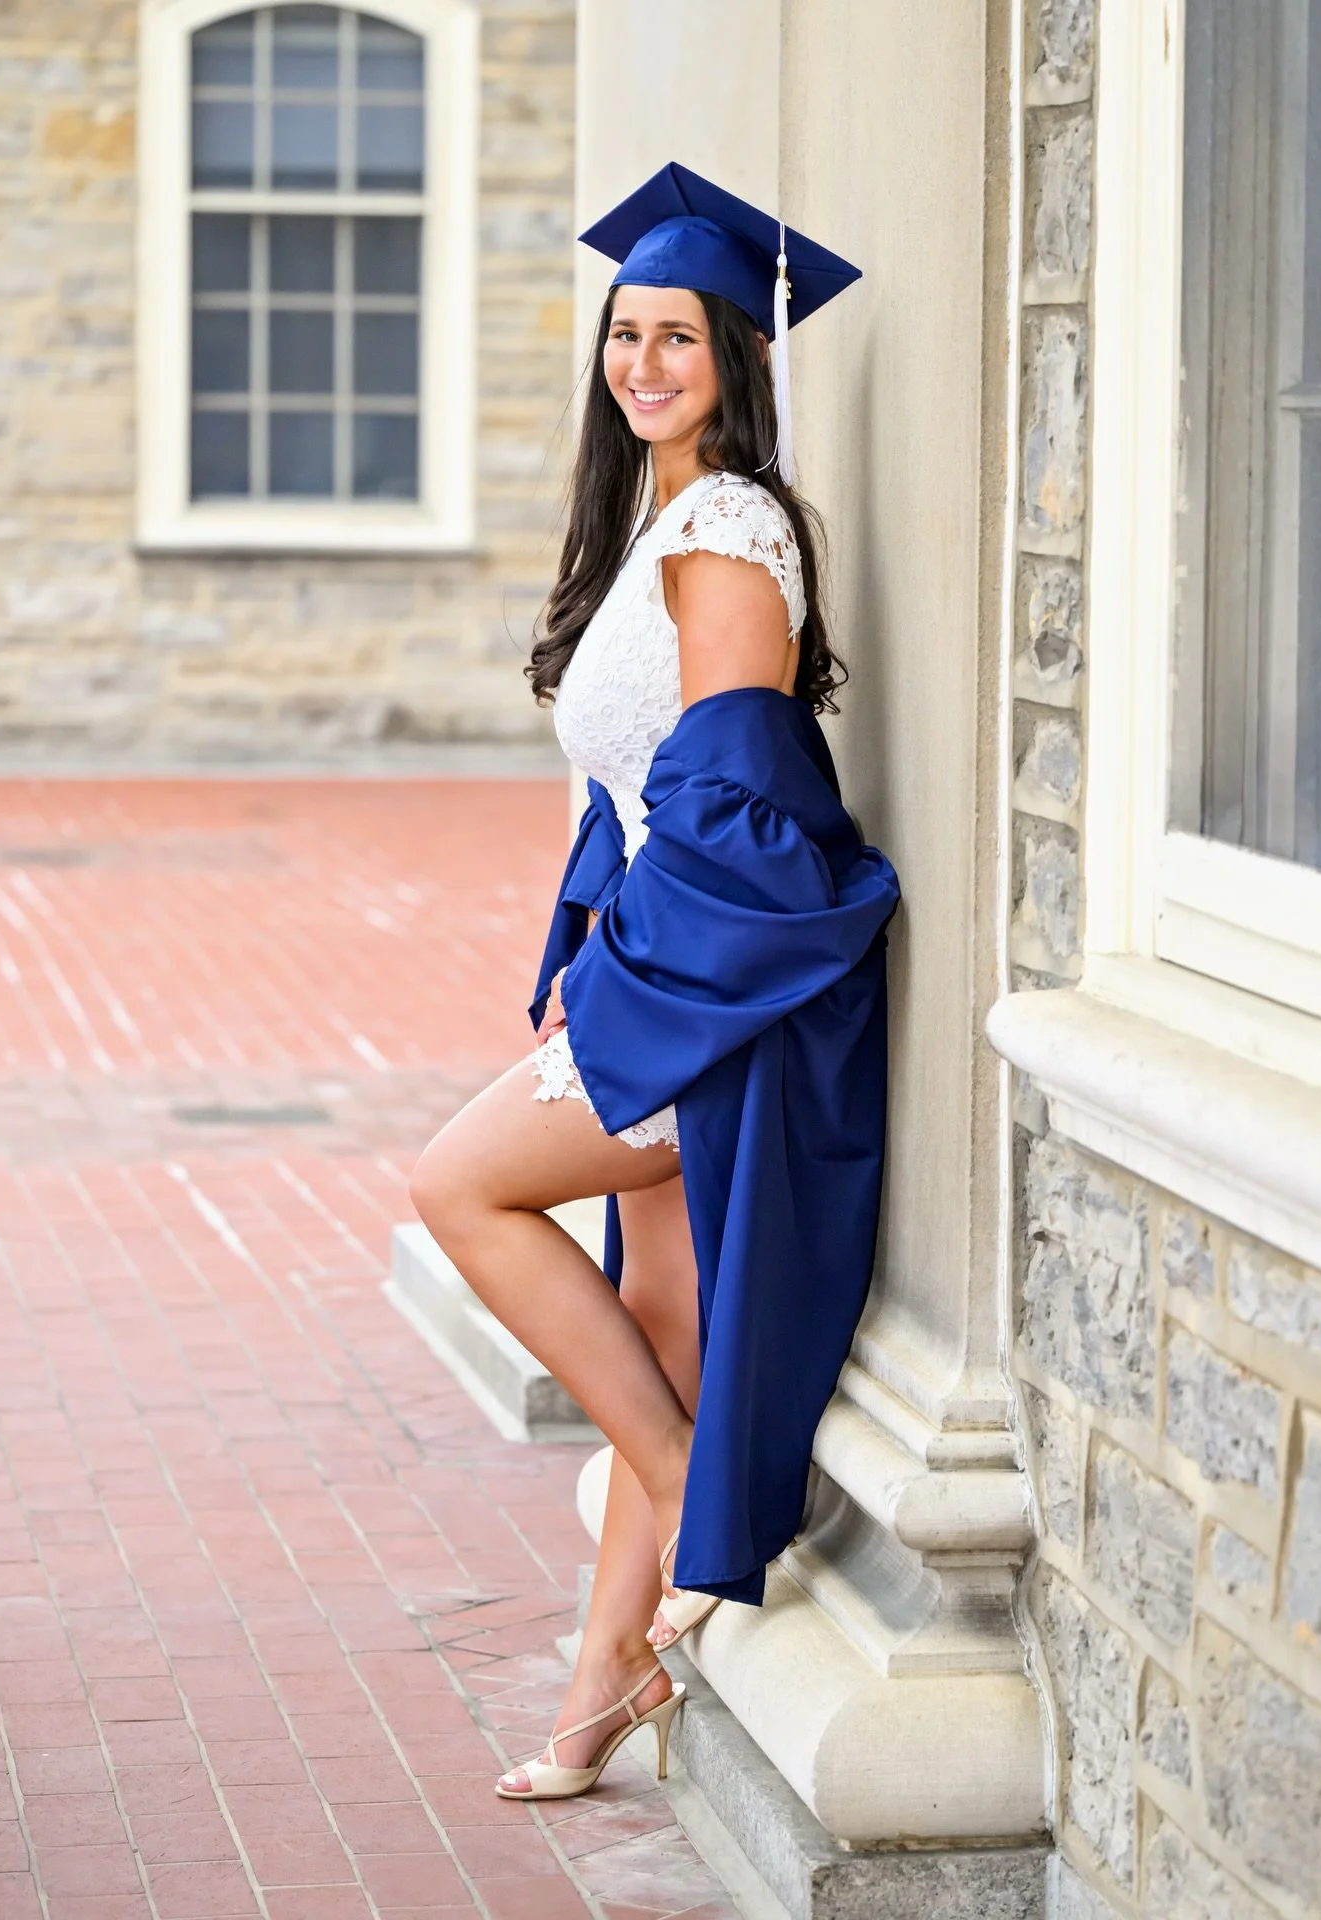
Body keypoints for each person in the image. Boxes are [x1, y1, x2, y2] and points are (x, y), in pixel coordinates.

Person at [411, 163, 899, 1802]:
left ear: (733, 358)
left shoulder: (728, 524)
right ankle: (598, 1696)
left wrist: (627, 990)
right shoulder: (653, 524)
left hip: (709, 991)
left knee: (458, 1184)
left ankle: (697, 1490)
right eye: (626, 336)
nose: (644, 364)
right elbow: (632, 797)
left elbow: (739, 811)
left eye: (676, 337)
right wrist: (578, 953)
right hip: (657, 970)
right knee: (658, 1330)